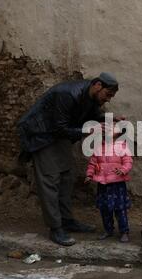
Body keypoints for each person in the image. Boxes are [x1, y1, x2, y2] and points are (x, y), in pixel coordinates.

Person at [17, 73, 122, 246]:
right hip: (41, 135)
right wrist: (87, 131)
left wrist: (109, 119)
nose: (108, 99)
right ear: (97, 85)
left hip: (59, 136)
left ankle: (67, 220)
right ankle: (55, 228)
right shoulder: (67, 94)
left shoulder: (91, 97)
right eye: (108, 94)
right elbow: (60, 128)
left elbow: (91, 116)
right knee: (50, 181)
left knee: (66, 178)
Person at [85, 124, 133, 243]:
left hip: (117, 184)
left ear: (118, 133)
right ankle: (108, 230)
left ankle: (124, 231)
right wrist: (89, 175)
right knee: (104, 209)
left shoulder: (122, 146)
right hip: (103, 184)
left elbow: (128, 162)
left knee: (120, 208)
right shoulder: (98, 147)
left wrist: (122, 170)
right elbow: (92, 163)